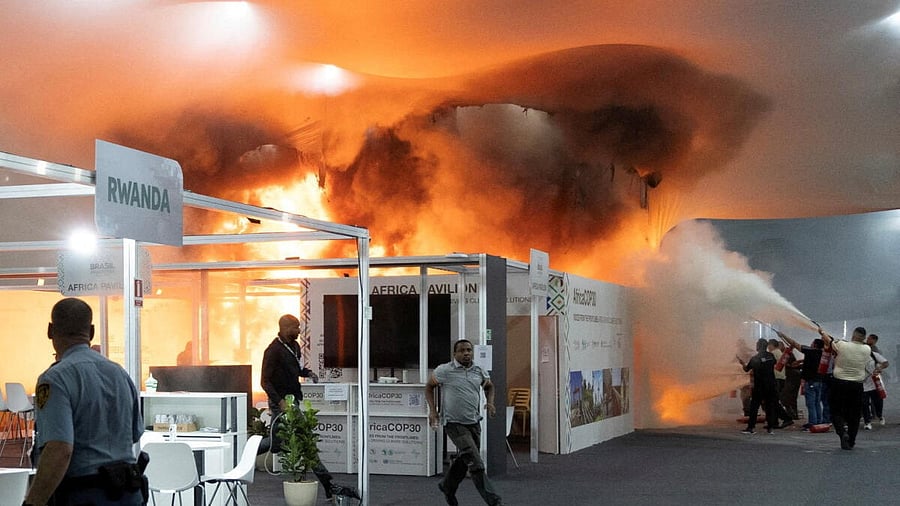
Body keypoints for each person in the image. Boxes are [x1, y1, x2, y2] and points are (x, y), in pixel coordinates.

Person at [24, 298, 146, 506]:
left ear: (50, 331)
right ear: (91, 332)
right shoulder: (120, 374)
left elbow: (59, 450)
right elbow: (135, 433)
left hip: (84, 495)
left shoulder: (55, 379)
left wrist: (33, 503)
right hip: (128, 494)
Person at [260, 314, 334, 497]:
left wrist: (308, 373)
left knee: (285, 441)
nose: (299, 331)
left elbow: (297, 369)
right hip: (281, 403)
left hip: (294, 400)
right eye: (296, 327)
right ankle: (328, 484)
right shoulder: (273, 350)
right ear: (286, 328)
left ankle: (327, 485)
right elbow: (264, 381)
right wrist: (280, 402)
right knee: (299, 440)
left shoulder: (295, 346)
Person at [426, 339, 504, 506]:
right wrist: (433, 411)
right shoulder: (445, 371)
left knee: (465, 459)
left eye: (469, 350)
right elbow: (429, 387)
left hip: (473, 422)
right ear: (455, 354)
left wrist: (490, 402)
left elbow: (489, 386)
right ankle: (494, 502)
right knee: (476, 463)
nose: (466, 353)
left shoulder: (478, 370)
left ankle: (447, 486)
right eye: (462, 350)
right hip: (454, 423)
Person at [819, 326, 871, 450]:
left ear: (853, 335)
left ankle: (842, 433)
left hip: (839, 383)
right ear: (864, 337)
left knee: (836, 411)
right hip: (857, 385)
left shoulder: (842, 345)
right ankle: (851, 440)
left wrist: (822, 332)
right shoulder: (867, 349)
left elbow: (828, 340)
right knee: (854, 415)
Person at [777, 332, 826, 429]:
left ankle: (812, 423)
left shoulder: (811, 351)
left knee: (811, 404)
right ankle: (818, 422)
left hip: (811, 381)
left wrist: (783, 335)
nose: (810, 344)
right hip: (819, 381)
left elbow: (795, 344)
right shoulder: (822, 353)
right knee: (816, 403)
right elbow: (811, 364)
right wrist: (800, 363)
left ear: (815, 345)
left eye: (812, 343)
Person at [737, 338, 780, 434]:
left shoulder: (755, 358)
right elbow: (773, 363)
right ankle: (770, 428)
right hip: (771, 385)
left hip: (759, 386)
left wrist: (742, 363)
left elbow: (747, 369)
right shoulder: (771, 356)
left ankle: (751, 428)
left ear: (759, 346)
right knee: (769, 407)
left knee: (754, 407)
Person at [862, 345, 889, 429]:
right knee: (864, 404)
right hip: (862, 384)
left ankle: (879, 415)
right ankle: (867, 422)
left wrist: (879, 368)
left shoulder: (874, 354)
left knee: (877, 402)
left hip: (874, 383)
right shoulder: (856, 356)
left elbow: (885, 363)